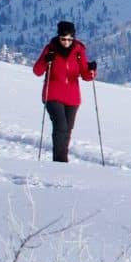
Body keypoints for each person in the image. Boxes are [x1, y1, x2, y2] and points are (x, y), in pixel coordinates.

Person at [33, 19, 97, 163]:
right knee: (61, 126)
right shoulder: (50, 49)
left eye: (69, 39)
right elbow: (37, 71)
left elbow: (86, 75)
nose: (66, 42)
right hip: (53, 95)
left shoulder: (79, 51)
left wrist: (92, 69)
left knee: (67, 130)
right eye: (63, 39)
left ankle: (61, 159)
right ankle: (60, 162)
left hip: (72, 97)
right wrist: (45, 60)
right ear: (59, 37)